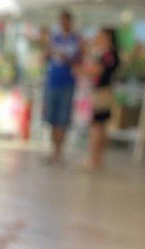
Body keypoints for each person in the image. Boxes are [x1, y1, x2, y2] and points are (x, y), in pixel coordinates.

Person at [43, 10, 83, 165]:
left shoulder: (76, 39)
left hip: (67, 82)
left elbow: (79, 59)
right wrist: (48, 50)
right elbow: (46, 56)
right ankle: (53, 149)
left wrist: (67, 58)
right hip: (53, 80)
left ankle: (59, 151)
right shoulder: (54, 38)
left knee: (63, 118)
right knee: (52, 117)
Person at [80, 28, 120, 170]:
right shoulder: (110, 55)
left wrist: (80, 70)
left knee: (97, 126)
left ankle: (94, 158)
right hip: (104, 92)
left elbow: (95, 71)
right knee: (100, 126)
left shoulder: (107, 55)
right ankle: (97, 158)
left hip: (101, 92)